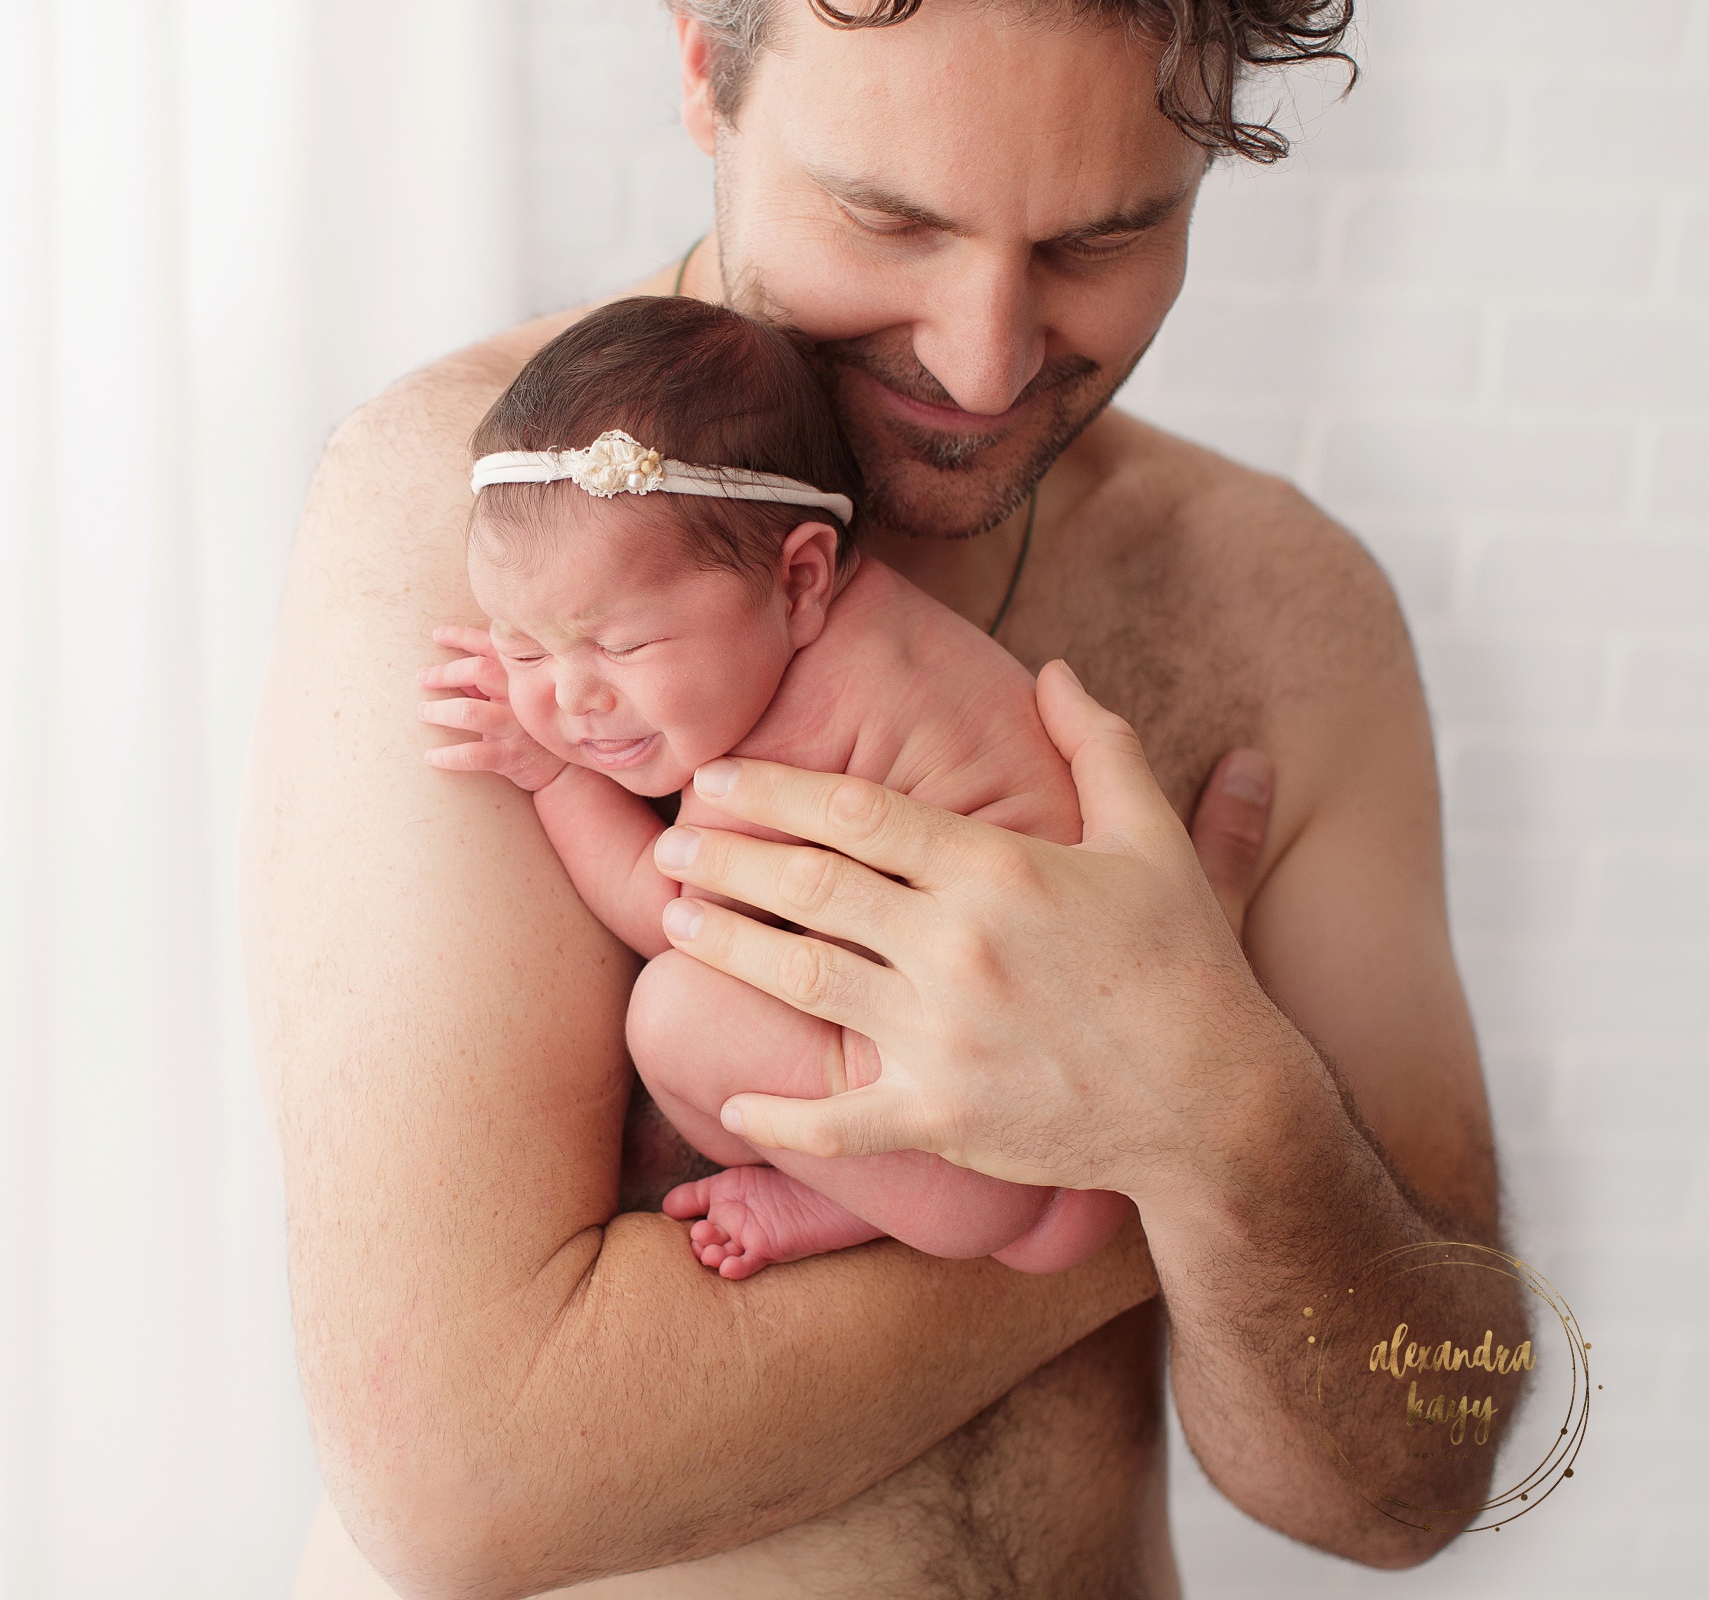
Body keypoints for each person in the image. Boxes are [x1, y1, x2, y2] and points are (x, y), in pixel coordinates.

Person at [244, 1, 1518, 1594]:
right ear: (707, 68)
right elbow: (463, 1481)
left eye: (1103, 236)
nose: (981, 358)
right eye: (888, 216)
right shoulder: (484, 538)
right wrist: (1162, 1166)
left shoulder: (1282, 613)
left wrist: (1229, 1113)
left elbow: (1419, 1467)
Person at [421, 294, 1132, 1278]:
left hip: (989, 1141)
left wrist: (549, 777)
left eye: (621, 643)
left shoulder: (800, 726)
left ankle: (843, 1194)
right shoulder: (881, 636)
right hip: (1071, 1076)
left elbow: (680, 915)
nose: (570, 699)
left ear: (800, 583)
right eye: (522, 647)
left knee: (675, 1008)